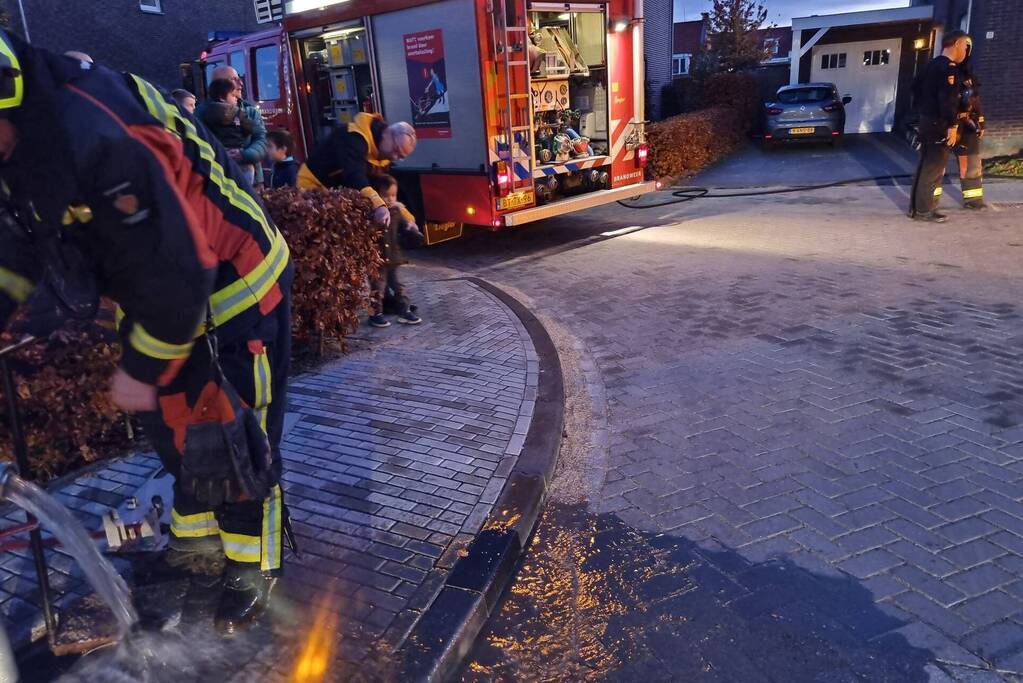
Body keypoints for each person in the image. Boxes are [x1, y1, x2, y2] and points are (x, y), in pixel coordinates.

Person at [0, 30, 292, 633]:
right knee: (182, 438)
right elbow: (18, 246)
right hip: (162, 296)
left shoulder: (98, 132)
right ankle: (196, 553)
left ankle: (252, 570)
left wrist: (139, 370)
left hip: (234, 287)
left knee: (238, 438)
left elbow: (180, 269)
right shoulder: (30, 131)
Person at [296, 112, 417, 228]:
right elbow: (355, 176)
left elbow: (383, 193)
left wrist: (408, 219)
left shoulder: (382, 155)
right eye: (396, 150)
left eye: (400, 157)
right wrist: (379, 205)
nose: (394, 157)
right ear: (387, 133)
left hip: (336, 192)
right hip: (312, 184)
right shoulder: (354, 137)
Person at [909, 30, 972, 223]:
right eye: (965, 46)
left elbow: (915, 89)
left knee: (925, 165)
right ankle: (924, 210)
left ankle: (917, 208)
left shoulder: (930, 65)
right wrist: (952, 125)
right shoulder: (948, 69)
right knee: (933, 167)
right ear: (957, 44)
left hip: (927, 121)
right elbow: (948, 100)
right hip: (940, 124)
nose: (966, 51)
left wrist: (923, 113)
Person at [195, 65, 268, 189]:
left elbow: (261, 140)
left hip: (253, 179)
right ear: (221, 86)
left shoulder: (250, 111)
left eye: (239, 78)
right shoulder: (199, 114)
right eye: (234, 79)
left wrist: (245, 154)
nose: (241, 83)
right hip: (217, 179)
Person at [366, 174, 423, 328]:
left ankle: (404, 310)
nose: (390, 199)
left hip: (393, 256)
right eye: (386, 195)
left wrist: (411, 229)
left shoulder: (396, 211)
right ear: (376, 195)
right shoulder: (371, 214)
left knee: (398, 286)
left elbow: (405, 225)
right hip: (377, 260)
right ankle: (375, 314)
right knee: (378, 288)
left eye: (393, 195)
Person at [201, 78, 256, 185]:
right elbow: (249, 128)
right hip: (237, 152)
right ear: (222, 97)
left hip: (219, 154)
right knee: (247, 175)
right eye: (233, 95)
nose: (236, 98)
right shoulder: (238, 112)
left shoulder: (207, 113)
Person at [954, 39, 986, 210]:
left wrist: (981, 121)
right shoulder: (941, 70)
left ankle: (973, 201)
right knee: (935, 166)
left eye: (967, 48)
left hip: (967, 124)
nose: (963, 51)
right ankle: (927, 204)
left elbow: (975, 99)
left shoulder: (968, 76)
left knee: (971, 163)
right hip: (945, 124)